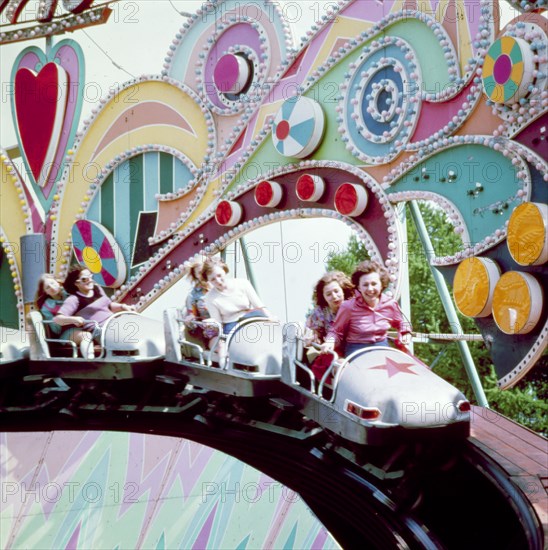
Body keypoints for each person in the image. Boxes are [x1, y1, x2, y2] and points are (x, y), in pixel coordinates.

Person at [321, 260, 412, 356]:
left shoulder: (390, 304)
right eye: (365, 285)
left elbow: (402, 323)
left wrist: (405, 334)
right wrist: (330, 342)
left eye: (374, 284)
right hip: (356, 350)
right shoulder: (348, 307)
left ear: (381, 285)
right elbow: (335, 331)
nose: (370, 289)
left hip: (381, 348)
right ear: (359, 287)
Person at [53, 266, 134, 359]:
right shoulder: (74, 299)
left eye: (91, 277)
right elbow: (57, 319)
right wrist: (73, 319)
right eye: (84, 279)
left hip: (113, 322)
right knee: (124, 339)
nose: (90, 281)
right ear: (76, 283)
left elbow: (109, 305)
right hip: (99, 330)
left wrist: (123, 306)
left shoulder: (97, 289)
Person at [304, 271, 354, 382]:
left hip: (354, 349)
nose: (334, 297)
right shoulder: (321, 313)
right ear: (324, 297)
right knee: (340, 364)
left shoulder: (354, 306)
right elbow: (313, 331)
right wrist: (313, 336)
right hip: (333, 351)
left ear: (343, 290)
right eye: (329, 294)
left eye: (336, 291)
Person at [202, 258, 271, 335]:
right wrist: (212, 326)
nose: (218, 281)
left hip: (249, 317)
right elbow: (218, 322)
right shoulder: (209, 297)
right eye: (213, 279)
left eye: (219, 275)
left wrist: (270, 318)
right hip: (231, 325)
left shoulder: (243, 283)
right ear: (209, 281)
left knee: (265, 325)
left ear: (224, 270)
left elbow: (259, 306)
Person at [181, 258, 219, 349]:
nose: (202, 274)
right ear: (195, 276)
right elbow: (193, 318)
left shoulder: (220, 284)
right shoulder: (193, 296)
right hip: (212, 329)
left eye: (204, 271)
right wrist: (190, 320)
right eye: (199, 273)